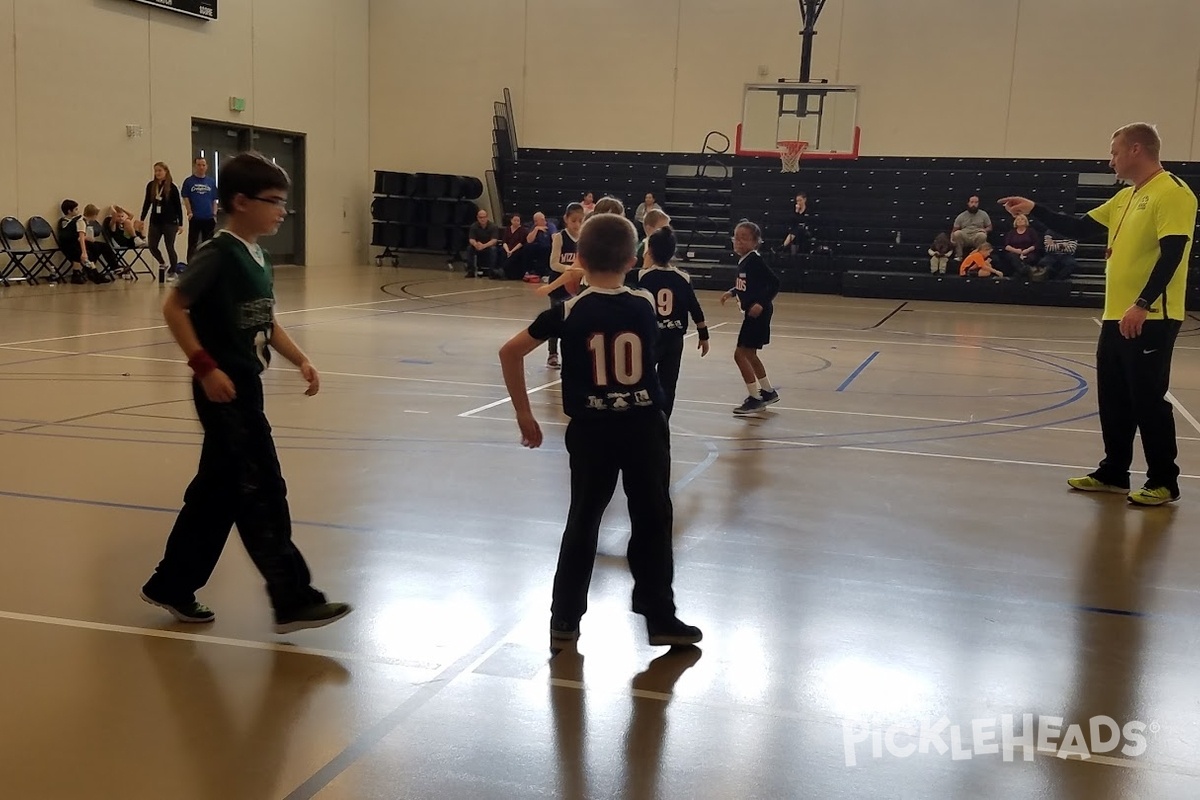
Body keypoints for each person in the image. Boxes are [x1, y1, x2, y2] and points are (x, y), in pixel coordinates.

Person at [140, 152, 352, 632]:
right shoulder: (218, 253)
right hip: (223, 391)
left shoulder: (258, 256)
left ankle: (171, 584)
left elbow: (266, 320)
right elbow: (174, 307)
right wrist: (204, 367)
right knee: (262, 489)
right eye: (273, 202)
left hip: (246, 387)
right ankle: (292, 597)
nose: (281, 210)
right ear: (240, 201)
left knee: (218, 494)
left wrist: (301, 359)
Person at [497, 213, 702, 647]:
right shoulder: (643, 303)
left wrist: (524, 414)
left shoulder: (568, 311)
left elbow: (510, 352)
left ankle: (564, 620)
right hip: (644, 427)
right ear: (632, 259)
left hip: (592, 431)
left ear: (580, 257)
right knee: (652, 519)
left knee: (584, 520)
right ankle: (659, 614)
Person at [1001, 122, 1198, 505]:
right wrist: (1034, 209)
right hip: (1115, 315)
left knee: (1147, 399)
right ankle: (1114, 472)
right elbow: (1079, 227)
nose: (1111, 161)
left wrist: (1142, 303)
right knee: (1114, 398)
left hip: (1151, 316)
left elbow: (1173, 254)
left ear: (1137, 150)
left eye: (1114, 153)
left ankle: (1164, 480)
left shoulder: (1172, 193)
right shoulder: (1125, 197)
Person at [636, 226, 709, 417]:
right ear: (673, 252)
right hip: (674, 340)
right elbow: (695, 308)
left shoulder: (643, 276)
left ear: (649, 251)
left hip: (650, 340)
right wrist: (704, 335)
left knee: (644, 380)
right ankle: (663, 421)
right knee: (669, 384)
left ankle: (645, 417)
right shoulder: (683, 277)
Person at [721, 220, 781, 416]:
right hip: (753, 312)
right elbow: (747, 284)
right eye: (736, 238)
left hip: (758, 313)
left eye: (744, 238)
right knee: (750, 354)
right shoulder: (745, 260)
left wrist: (760, 303)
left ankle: (755, 398)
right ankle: (768, 391)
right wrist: (732, 292)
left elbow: (774, 283)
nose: (738, 242)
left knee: (740, 354)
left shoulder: (755, 260)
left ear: (755, 242)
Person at [544, 203, 586, 368]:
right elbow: (553, 263)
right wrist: (572, 269)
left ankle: (572, 354)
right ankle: (552, 354)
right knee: (556, 319)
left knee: (574, 322)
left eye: (581, 221)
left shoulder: (584, 238)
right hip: (558, 284)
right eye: (574, 220)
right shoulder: (560, 237)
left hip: (577, 285)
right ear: (566, 219)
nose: (577, 224)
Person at [140, 161, 184, 279]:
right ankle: (163, 263)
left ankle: (173, 270)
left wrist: (181, 223)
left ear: (165, 171)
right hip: (155, 221)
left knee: (169, 246)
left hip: (170, 222)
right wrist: (142, 218)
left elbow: (178, 206)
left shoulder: (172, 187)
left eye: (160, 170)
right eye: (156, 171)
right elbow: (147, 203)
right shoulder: (151, 186)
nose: (157, 173)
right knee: (152, 245)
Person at [56, 199, 111, 284]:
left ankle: (86, 273)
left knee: (94, 248)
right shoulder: (72, 221)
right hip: (67, 245)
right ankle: (91, 274)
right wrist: (84, 249)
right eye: (76, 209)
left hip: (73, 242)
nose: (78, 211)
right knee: (84, 253)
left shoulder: (78, 220)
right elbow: (77, 237)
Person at [182, 156, 219, 261]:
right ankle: (190, 264)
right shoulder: (189, 181)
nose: (201, 167)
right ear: (195, 166)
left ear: (206, 167)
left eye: (203, 165)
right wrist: (189, 212)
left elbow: (214, 200)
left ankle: (207, 264)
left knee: (208, 244)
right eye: (199, 165)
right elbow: (186, 198)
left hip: (208, 217)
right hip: (195, 217)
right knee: (192, 243)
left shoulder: (211, 182)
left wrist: (214, 214)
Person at [1000, 213, 1041, 279]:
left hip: (1028, 252)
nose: (1020, 220)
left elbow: (1036, 244)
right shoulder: (1011, 232)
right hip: (1014, 252)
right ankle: (1024, 270)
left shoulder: (1031, 231)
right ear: (1015, 222)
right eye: (1018, 219)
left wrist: (1026, 250)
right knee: (1014, 258)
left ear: (1026, 221)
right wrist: (1017, 251)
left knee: (1028, 258)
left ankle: (1016, 277)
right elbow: (1007, 246)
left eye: (1022, 219)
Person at [466, 209, 502, 277]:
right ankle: (471, 271)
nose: (482, 219)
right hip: (477, 246)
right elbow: (471, 239)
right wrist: (475, 244)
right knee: (469, 248)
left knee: (493, 249)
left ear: (487, 217)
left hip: (488, 246)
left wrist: (484, 246)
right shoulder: (474, 226)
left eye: (484, 217)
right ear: (477, 218)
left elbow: (494, 240)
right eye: (480, 217)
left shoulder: (493, 226)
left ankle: (492, 271)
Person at [501, 213, 527, 279]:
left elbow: (521, 242)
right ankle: (504, 272)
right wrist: (507, 250)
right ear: (511, 220)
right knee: (502, 252)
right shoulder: (507, 229)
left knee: (515, 255)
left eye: (518, 220)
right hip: (507, 248)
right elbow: (504, 241)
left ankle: (503, 270)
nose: (516, 222)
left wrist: (511, 251)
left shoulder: (523, 230)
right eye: (514, 220)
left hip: (517, 249)